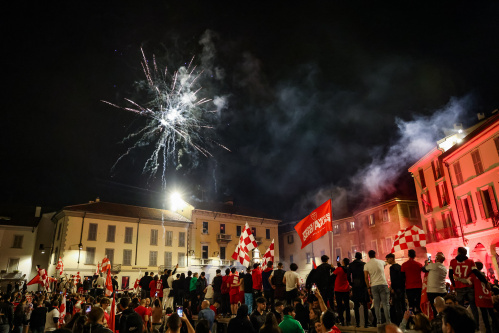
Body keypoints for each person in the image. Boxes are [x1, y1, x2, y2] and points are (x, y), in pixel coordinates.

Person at [448, 247, 487, 331]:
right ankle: (476, 327)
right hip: (469, 286)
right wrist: (485, 282)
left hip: (459, 287)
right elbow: (477, 273)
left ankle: (463, 327)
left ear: (458, 253)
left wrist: (454, 284)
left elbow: (450, 275)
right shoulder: (470, 261)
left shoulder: (453, 262)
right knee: (473, 307)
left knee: (461, 308)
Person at [364, 250, 391, 326]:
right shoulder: (381, 262)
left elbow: (366, 277)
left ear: (369, 256)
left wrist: (368, 287)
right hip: (383, 284)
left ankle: (378, 322)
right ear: (375, 254)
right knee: (386, 304)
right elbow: (386, 263)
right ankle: (388, 322)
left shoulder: (366, 265)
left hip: (374, 286)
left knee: (376, 304)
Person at [471, 261, 498, 333]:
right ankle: (496, 327)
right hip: (487, 296)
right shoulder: (484, 275)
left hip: (480, 296)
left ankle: (488, 329)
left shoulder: (474, 275)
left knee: (484, 315)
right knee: (491, 313)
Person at [422, 252, 447, 317]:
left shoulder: (433, 265)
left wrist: (427, 263)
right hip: (442, 291)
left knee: (434, 309)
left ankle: (437, 322)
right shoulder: (444, 268)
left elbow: (424, 269)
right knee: (442, 308)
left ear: (436, 259)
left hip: (432, 291)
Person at [351, 252, 370, 328]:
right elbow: (366, 275)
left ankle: (357, 323)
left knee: (356, 305)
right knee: (365, 305)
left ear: (355, 257)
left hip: (355, 286)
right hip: (363, 286)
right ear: (361, 257)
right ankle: (366, 323)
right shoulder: (364, 264)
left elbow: (348, 276)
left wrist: (351, 283)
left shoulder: (351, 265)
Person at [386, 253, 406, 326]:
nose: (387, 261)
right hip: (402, 288)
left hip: (396, 289)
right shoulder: (400, 267)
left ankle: (398, 322)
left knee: (397, 306)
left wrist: (392, 288)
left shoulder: (392, 268)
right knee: (403, 305)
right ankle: (405, 320)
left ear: (391, 258)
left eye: (387, 259)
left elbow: (393, 279)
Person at [333, 258, 351, 326]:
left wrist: (333, 268)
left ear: (343, 262)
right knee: (347, 306)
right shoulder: (348, 269)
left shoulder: (339, 269)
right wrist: (338, 263)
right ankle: (348, 321)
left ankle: (341, 320)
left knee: (339, 306)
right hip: (346, 289)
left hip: (338, 290)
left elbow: (333, 275)